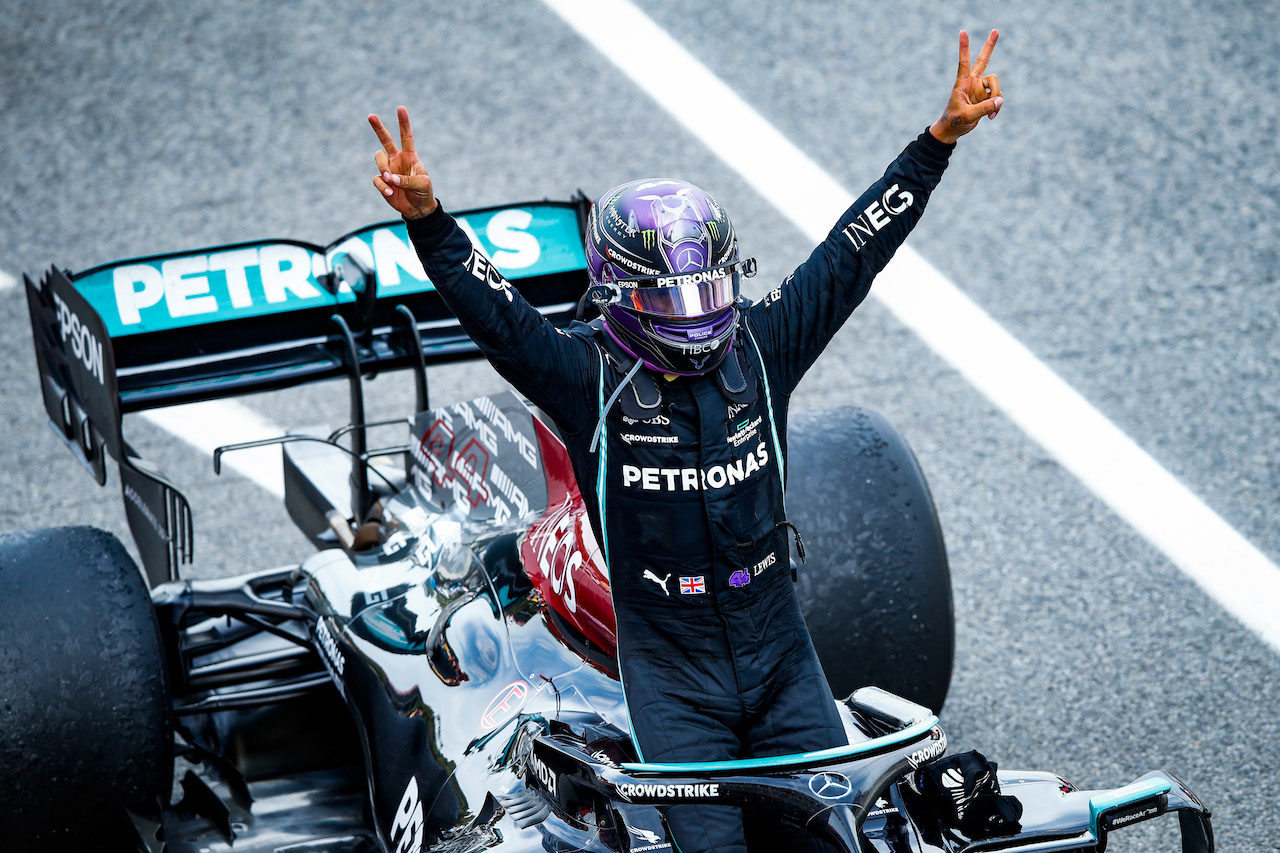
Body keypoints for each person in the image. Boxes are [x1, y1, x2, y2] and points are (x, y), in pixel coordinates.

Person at [368, 29, 1002, 853]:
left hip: (781, 654)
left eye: (708, 285)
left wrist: (938, 142)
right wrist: (430, 222)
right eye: (673, 295)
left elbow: (855, 250)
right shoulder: (584, 378)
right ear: (621, 295)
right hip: (673, 679)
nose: (696, 310)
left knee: (836, 845)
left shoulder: (764, 347)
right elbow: (499, 316)